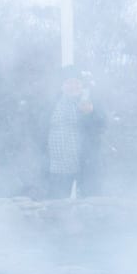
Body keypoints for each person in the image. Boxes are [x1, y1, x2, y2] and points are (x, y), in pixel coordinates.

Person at [46, 68, 105, 199]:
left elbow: (101, 126)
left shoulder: (90, 101)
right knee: (56, 206)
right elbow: (40, 128)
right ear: (62, 86)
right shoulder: (52, 103)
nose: (73, 86)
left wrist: (91, 114)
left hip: (85, 164)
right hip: (57, 166)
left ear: (82, 85)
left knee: (90, 204)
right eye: (69, 82)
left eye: (76, 82)